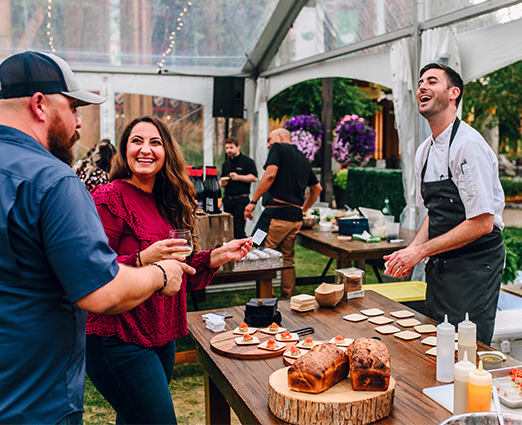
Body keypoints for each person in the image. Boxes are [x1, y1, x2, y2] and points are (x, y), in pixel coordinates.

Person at [0, 51, 194, 424]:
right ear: (40, 105)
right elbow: (101, 290)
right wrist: (160, 273)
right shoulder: (53, 180)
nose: (78, 123)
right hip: (34, 399)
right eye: (73, 107)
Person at [85, 116, 253, 424]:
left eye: (155, 142)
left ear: (166, 154)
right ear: (124, 150)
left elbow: (176, 272)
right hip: (118, 337)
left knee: (134, 418)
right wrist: (142, 258)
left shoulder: (164, 202)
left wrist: (216, 256)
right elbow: (90, 271)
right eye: (137, 141)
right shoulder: (109, 197)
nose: (145, 149)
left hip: (161, 335)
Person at [384, 63, 505, 344]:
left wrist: (421, 252)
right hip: (441, 265)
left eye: (432, 81)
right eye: (420, 82)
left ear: (453, 93)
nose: (422, 87)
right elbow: (433, 213)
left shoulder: (468, 145)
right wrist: (409, 252)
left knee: (465, 349)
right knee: (436, 343)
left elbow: (482, 222)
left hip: (475, 266)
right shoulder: (424, 152)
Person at [245, 128, 322, 299]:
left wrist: (253, 201)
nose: (268, 144)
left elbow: (270, 174)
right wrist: (304, 209)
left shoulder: (278, 148)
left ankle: (266, 301)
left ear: (280, 137)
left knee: (262, 254)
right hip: (294, 219)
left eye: (269, 139)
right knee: (287, 259)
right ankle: (289, 299)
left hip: (275, 215)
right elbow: (317, 189)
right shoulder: (303, 157)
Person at [220, 136, 258, 239]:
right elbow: (222, 180)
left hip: (241, 200)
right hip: (228, 199)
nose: (229, 150)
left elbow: (254, 177)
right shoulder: (226, 164)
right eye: (227, 148)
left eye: (231, 147)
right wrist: (222, 183)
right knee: (227, 229)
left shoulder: (247, 162)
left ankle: (243, 250)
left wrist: (238, 177)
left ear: (238, 147)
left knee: (239, 229)